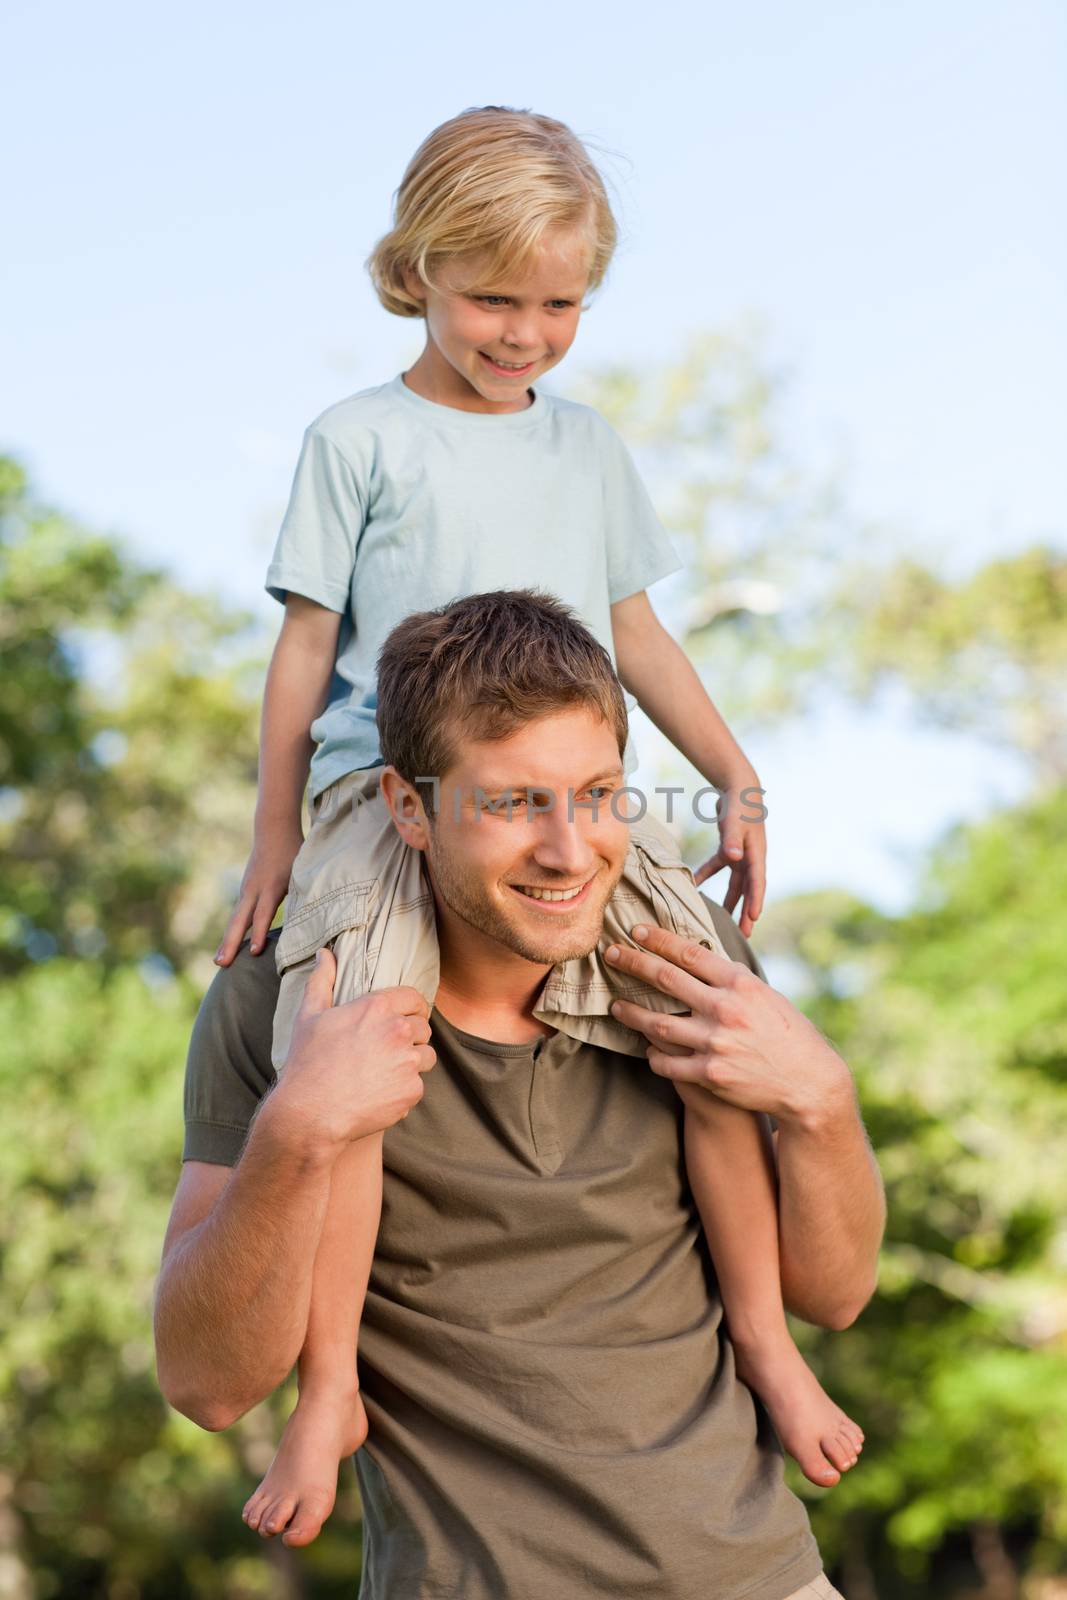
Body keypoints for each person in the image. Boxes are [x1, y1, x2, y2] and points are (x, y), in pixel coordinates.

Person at [210, 105, 859, 1544]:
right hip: (391, 797)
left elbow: (637, 630)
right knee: (356, 1058)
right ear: (416, 270)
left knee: (702, 1033)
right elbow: (304, 653)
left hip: (559, 805)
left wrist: (732, 773)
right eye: (491, 296)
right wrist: (273, 840)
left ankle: (762, 1338)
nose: (522, 331)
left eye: (557, 302)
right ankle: (329, 1389)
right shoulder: (359, 440)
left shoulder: (586, 451)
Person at [156, 593, 885, 1598]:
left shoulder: (676, 965)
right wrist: (298, 1129)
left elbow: (837, 1292)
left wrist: (821, 1101)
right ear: (407, 808)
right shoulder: (291, 993)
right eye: (509, 803)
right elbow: (204, 1385)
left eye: (597, 793)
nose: (567, 848)